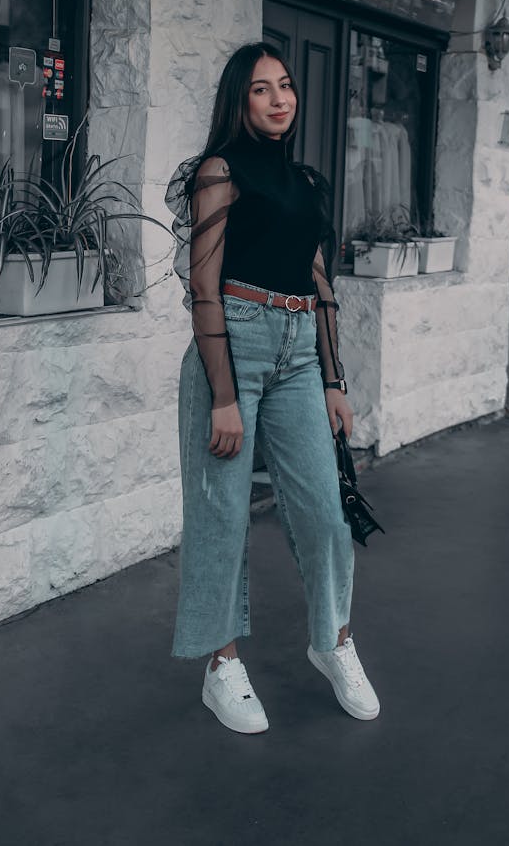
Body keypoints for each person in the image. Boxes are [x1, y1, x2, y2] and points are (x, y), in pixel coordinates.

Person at [165, 42, 380, 735]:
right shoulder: (219, 171)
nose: (280, 98)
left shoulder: (308, 183)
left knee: (324, 510)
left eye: (286, 85)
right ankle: (221, 664)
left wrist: (333, 378)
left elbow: (318, 283)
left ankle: (334, 640)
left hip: (295, 356)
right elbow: (203, 283)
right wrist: (223, 393)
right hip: (232, 343)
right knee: (222, 516)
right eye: (262, 89)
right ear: (240, 99)